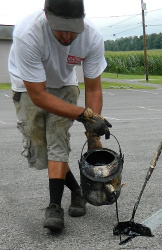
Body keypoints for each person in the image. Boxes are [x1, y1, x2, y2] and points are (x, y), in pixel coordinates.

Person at [8, 0, 111, 231]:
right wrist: (83, 114)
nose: (67, 37)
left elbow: (94, 88)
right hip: (28, 88)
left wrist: (93, 134)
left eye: (73, 29)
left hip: (65, 85)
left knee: (58, 141)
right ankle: (77, 191)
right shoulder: (28, 33)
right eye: (60, 29)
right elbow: (38, 94)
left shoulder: (92, 37)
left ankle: (54, 206)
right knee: (42, 152)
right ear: (46, 15)